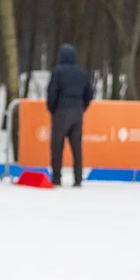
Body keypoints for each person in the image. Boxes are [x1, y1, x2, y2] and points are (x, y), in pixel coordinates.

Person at [46, 43, 94, 187]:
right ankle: (78, 179)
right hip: (78, 111)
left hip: (61, 111)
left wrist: (52, 109)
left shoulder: (58, 72)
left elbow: (52, 92)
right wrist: (82, 107)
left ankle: (56, 178)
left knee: (57, 146)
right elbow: (89, 94)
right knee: (76, 148)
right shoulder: (82, 72)